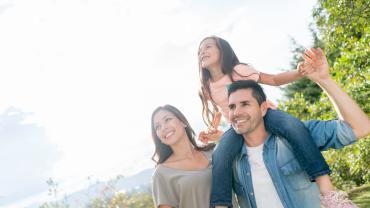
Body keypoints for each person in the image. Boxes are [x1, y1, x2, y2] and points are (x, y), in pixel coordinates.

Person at [197, 36, 334, 207]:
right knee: (220, 153)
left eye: (207, 47)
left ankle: (328, 191)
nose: (202, 52)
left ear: (222, 50)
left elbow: (274, 80)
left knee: (292, 125)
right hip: (239, 126)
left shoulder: (238, 71)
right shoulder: (207, 85)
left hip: (265, 114)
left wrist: (299, 73)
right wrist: (212, 129)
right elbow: (218, 110)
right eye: (200, 50)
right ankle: (220, 205)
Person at [226, 49, 370, 208]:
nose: (236, 112)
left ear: (263, 108)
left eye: (245, 104)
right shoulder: (229, 159)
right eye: (231, 107)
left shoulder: (298, 135)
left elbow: (360, 127)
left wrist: (325, 80)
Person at [151, 105, 219, 208]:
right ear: (158, 137)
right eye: (157, 127)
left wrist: (222, 138)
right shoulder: (162, 174)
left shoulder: (213, 152)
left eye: (167, 119)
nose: (163, 127)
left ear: (183, 122)